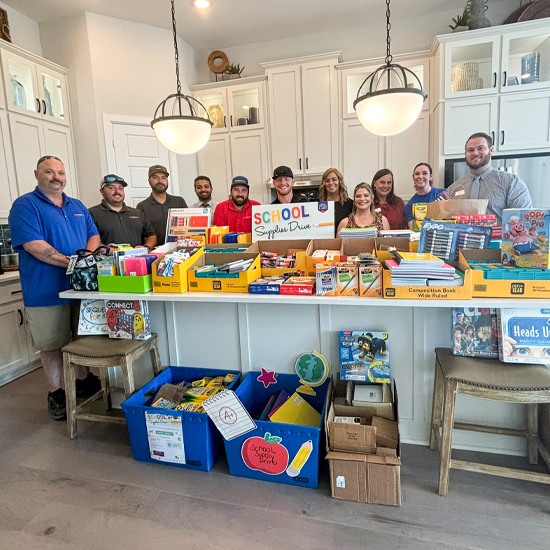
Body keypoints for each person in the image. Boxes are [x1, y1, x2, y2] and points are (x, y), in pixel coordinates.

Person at [8, 156, 102, 421]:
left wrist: (86, 258)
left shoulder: (77, 205)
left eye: (60, 172)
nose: (56, 177)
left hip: (81, 288)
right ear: (37, 174)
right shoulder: (25, 205)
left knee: (81, 337)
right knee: (51, 344)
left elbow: (92, 235)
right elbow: (34, 246)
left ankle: (83, 381)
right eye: (49, 172)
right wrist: (74, 262)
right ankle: (57, 392)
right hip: (45, 288)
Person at [447, 132, 532, 224]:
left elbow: (523, 221)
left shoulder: (512, 183)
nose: (475, 153)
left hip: (497, 238)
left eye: (480, 148)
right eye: (471, 150)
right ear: (465, 153)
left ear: (491, 150)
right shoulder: (453, 188)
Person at [89, 174, 157, 249]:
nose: (117, 191)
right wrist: (109, 250)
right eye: (111, 188)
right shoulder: (92, 214)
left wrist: (146, 247)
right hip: (108, 259)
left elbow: (151, 235)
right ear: (102, 191)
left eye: (120, 188)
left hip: (137, 259)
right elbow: (88, 239)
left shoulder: (137, 213)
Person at [136, 165, 187, 246]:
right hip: (154, 253)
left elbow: (188, 227)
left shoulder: (179, 201)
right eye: (155, 177)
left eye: (164, 177)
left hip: (179, 250)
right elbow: (142, 234)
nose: (160, 180)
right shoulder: (142, 207)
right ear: (149, 181)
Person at [405, 163, 450, 230]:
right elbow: (414, 229)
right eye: (417, 174)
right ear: (413, 177)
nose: (420, 176)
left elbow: (451, 217)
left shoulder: (442, 193)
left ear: (430, 176)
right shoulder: (410, 205)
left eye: (424, 173)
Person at [319, 168, 353, 237]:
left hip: (344, 243)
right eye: (327, 181)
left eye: (334, 179)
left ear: (339, 181)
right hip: (322, 243)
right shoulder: (318, 204)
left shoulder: (350, 204)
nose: (331, 183)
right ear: (324, 184)